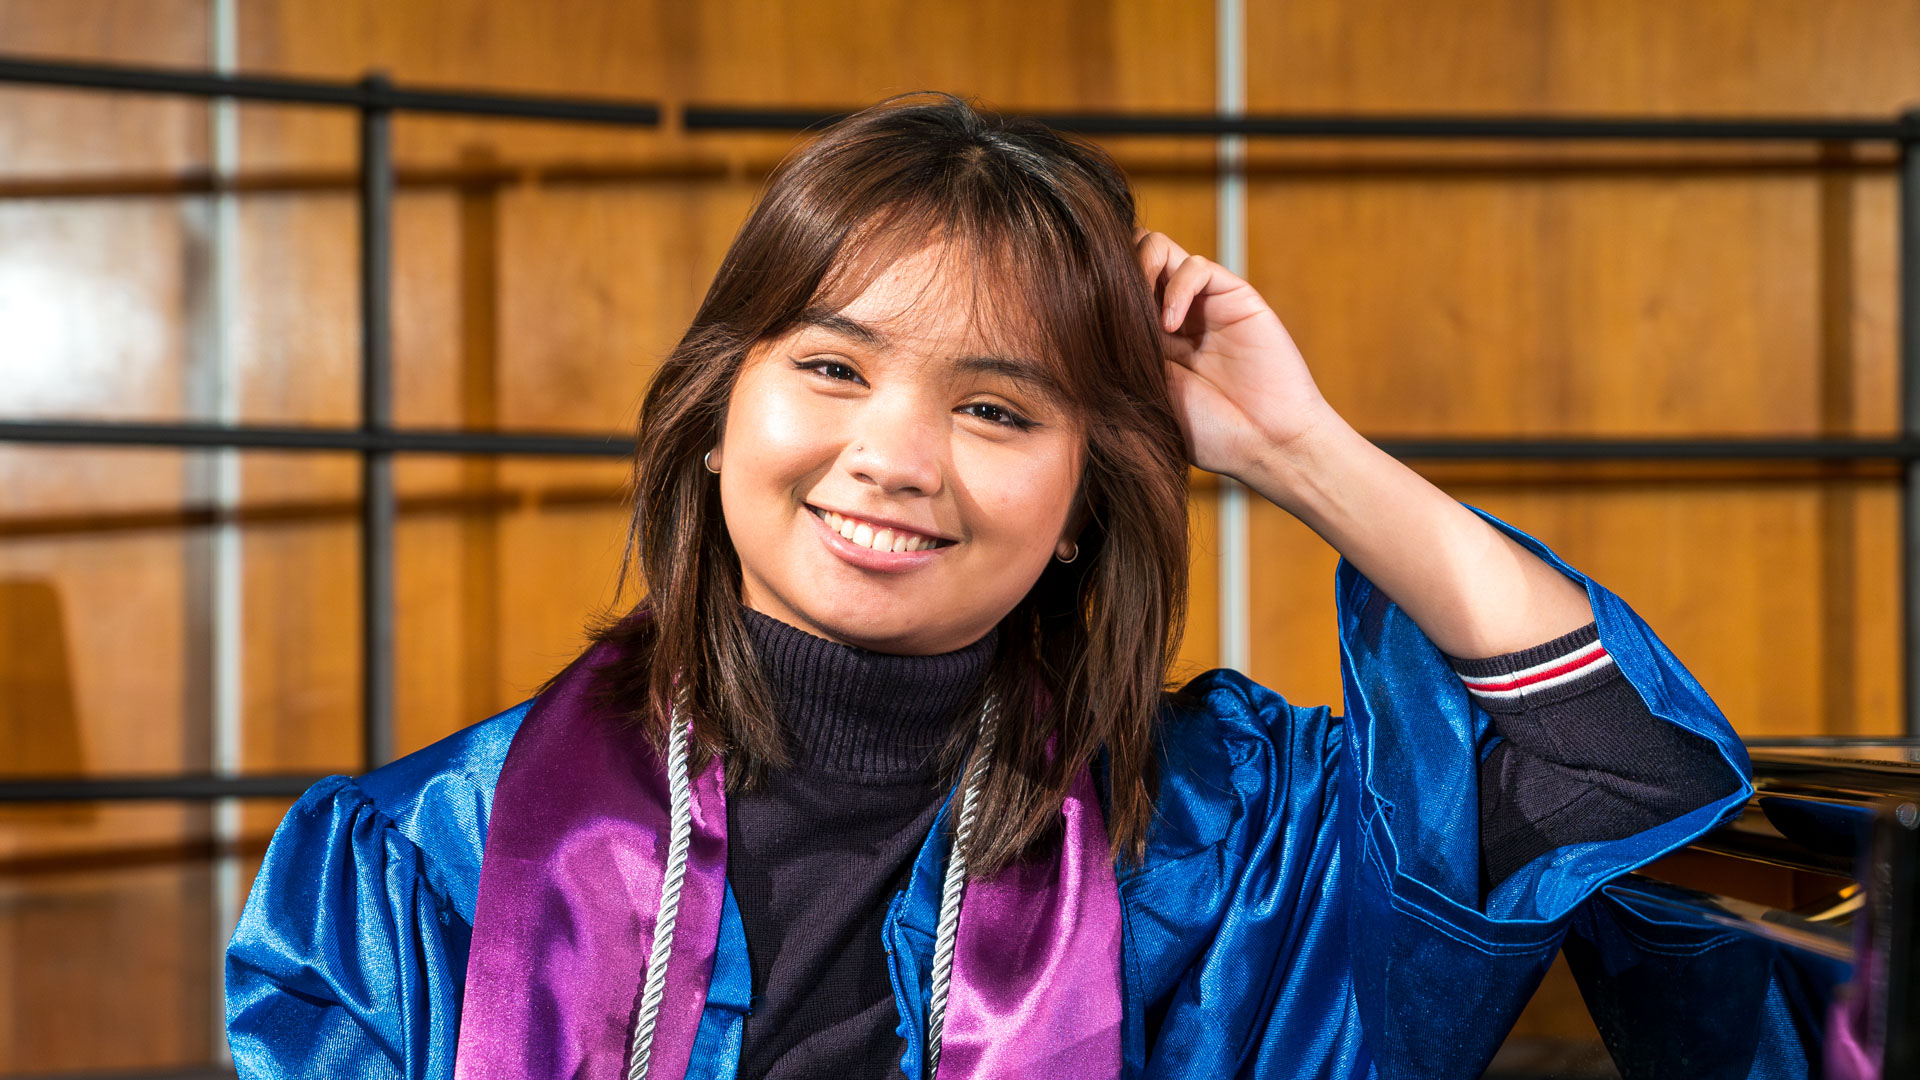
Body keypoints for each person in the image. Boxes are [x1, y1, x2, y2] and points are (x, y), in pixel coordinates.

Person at [224, 93, 1750, 1080]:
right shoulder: (417, 871)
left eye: (998, 408)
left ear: (1085, 505)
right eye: (831, 366)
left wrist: (1295, 445)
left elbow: (1612, 764)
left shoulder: (1222, 847)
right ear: (709, 420)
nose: (894, 457)